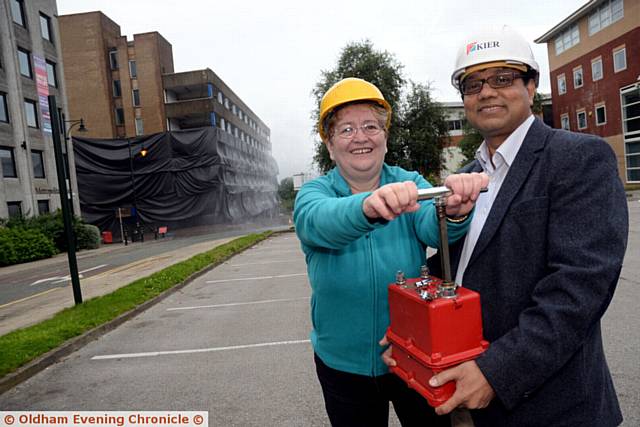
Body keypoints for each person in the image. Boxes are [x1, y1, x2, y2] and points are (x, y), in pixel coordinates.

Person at [405, 26, 628, 426]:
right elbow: (457, 267)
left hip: (552, 407)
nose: (486, 91)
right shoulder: (467, 177)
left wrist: (496, 371)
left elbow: (579, 288)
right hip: (468, 397)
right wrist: (410, 334)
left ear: (531, 85)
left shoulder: (577, 159)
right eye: (473, 84)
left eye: (503, 78)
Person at [294, 77, 489, 427]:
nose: (361, 137)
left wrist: (455, 209)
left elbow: (433, 224)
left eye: (371, 126)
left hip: (414, 355)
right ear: (330, 144)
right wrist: (367, 207)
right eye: (346, 129)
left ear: (385, 138)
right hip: (343, 366)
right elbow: (319, 223)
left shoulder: (410, 182)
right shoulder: (313, 194)